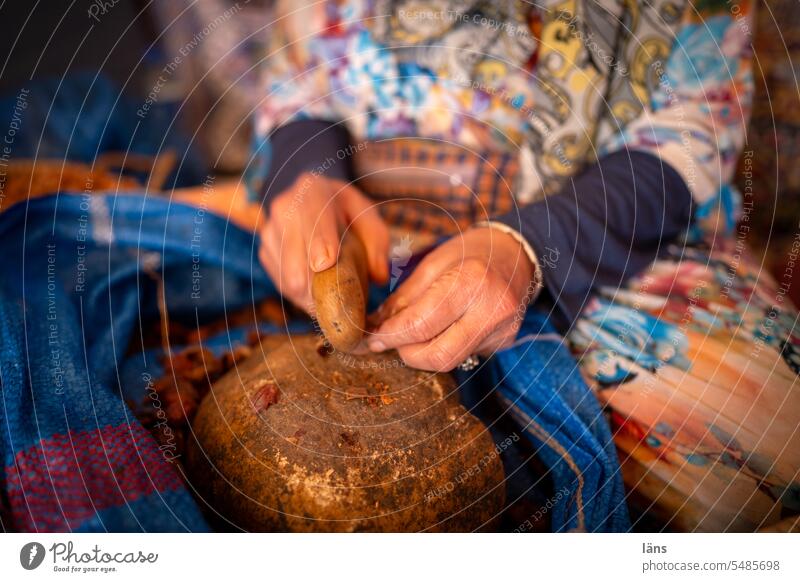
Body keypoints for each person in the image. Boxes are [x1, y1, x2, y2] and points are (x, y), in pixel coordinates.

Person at [251, 0, 800, 530]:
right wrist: (307, 175)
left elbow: (690, 132)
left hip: (605, 230)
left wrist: (528, 245)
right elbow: (301, 85)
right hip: (375, 225)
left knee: (762, 460)